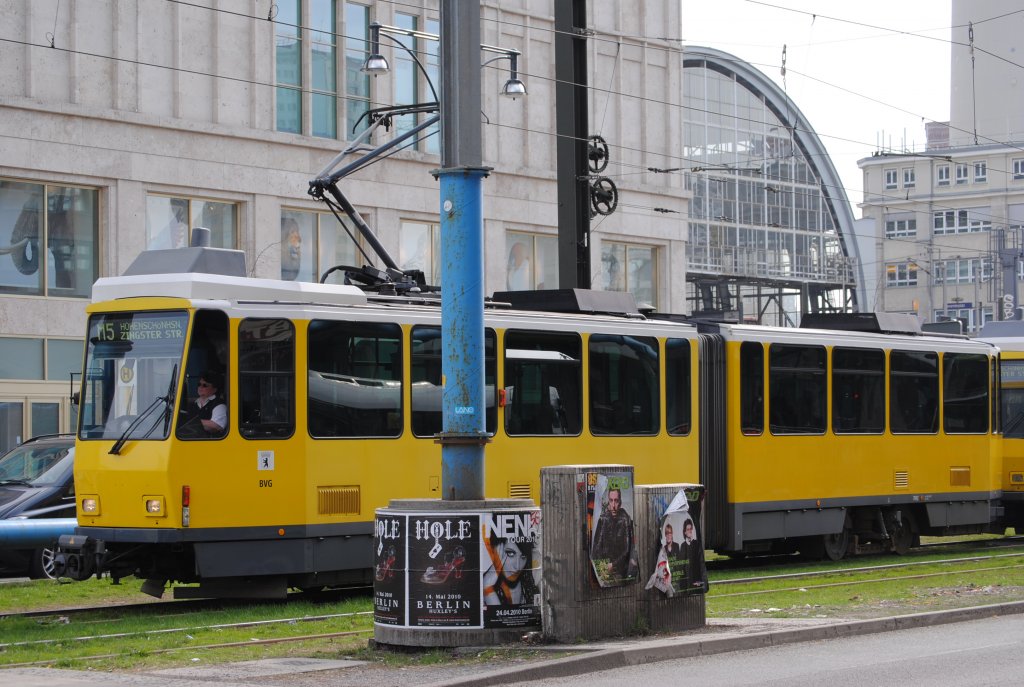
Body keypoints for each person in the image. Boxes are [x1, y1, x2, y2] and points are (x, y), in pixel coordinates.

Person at [591, 487, 636, 583]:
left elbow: (627, 549)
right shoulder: (603, 519)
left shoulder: (625, 519)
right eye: (611, 501)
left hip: (619, 570)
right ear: (608, 501)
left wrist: (613, 565)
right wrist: (603, 567)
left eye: (616, 501)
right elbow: (596, 548)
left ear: (620, 502)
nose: (614, 505)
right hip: (604, 569)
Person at [483, 534, 538, 606]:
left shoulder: (531, 583)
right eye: (510, 553)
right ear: (495, 549)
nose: (517, 566)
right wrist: (487, 586)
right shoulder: (478, 589)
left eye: (523, 556)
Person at [180, 370, 227, 437]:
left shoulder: (219, 405)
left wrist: (190, 423)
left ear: (215, 389)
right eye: (199, 384)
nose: (200, 387)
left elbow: (216, 426)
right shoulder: (192, 405)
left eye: (205, 385)